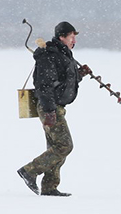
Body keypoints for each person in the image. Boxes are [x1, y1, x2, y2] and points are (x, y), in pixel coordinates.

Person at [17, 21, 91, 196]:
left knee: (56, 147)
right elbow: (44, 86)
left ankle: (50, 187)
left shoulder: (63, 54)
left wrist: (79, 75)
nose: (74, 40)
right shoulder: (48, 55)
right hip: (50, 107)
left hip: (57, 106)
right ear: (61, 37)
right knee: (65, 145)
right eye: (71, 37)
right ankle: (29, 171)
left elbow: (63, 81)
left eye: (74, 37)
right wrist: (49, 110)